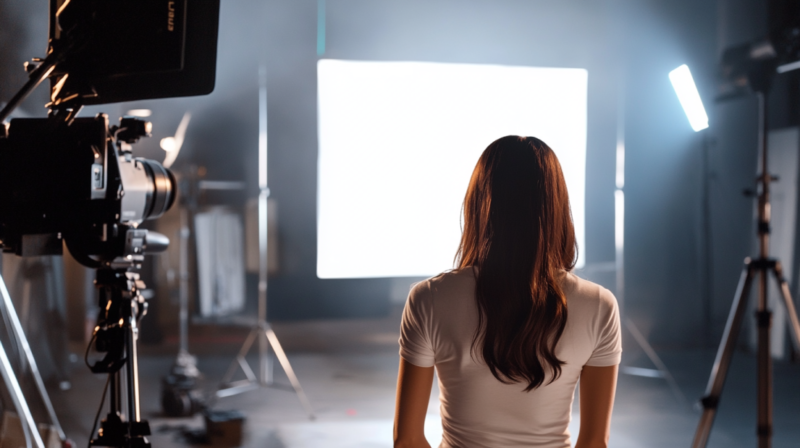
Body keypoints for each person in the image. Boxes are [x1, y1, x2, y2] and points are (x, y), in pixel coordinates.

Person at [393, 136, 621, 448]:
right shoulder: (599, 305)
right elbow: (594, 442)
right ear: (556, 205)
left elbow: (406, 440)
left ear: (479, 203)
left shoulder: (429, 298)